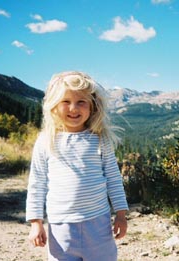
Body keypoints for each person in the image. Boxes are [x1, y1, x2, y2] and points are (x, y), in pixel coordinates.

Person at [26, 71, 128, 261]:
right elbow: (37, 183)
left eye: (81, 101)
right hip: (60, 227)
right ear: (54, 106)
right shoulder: (46, 140)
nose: (73, 108)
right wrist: (36, 222)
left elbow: (114, 178)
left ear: (92, 106)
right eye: (66, 101)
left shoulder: (99, 139)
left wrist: (121, 214)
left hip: (98, 225)